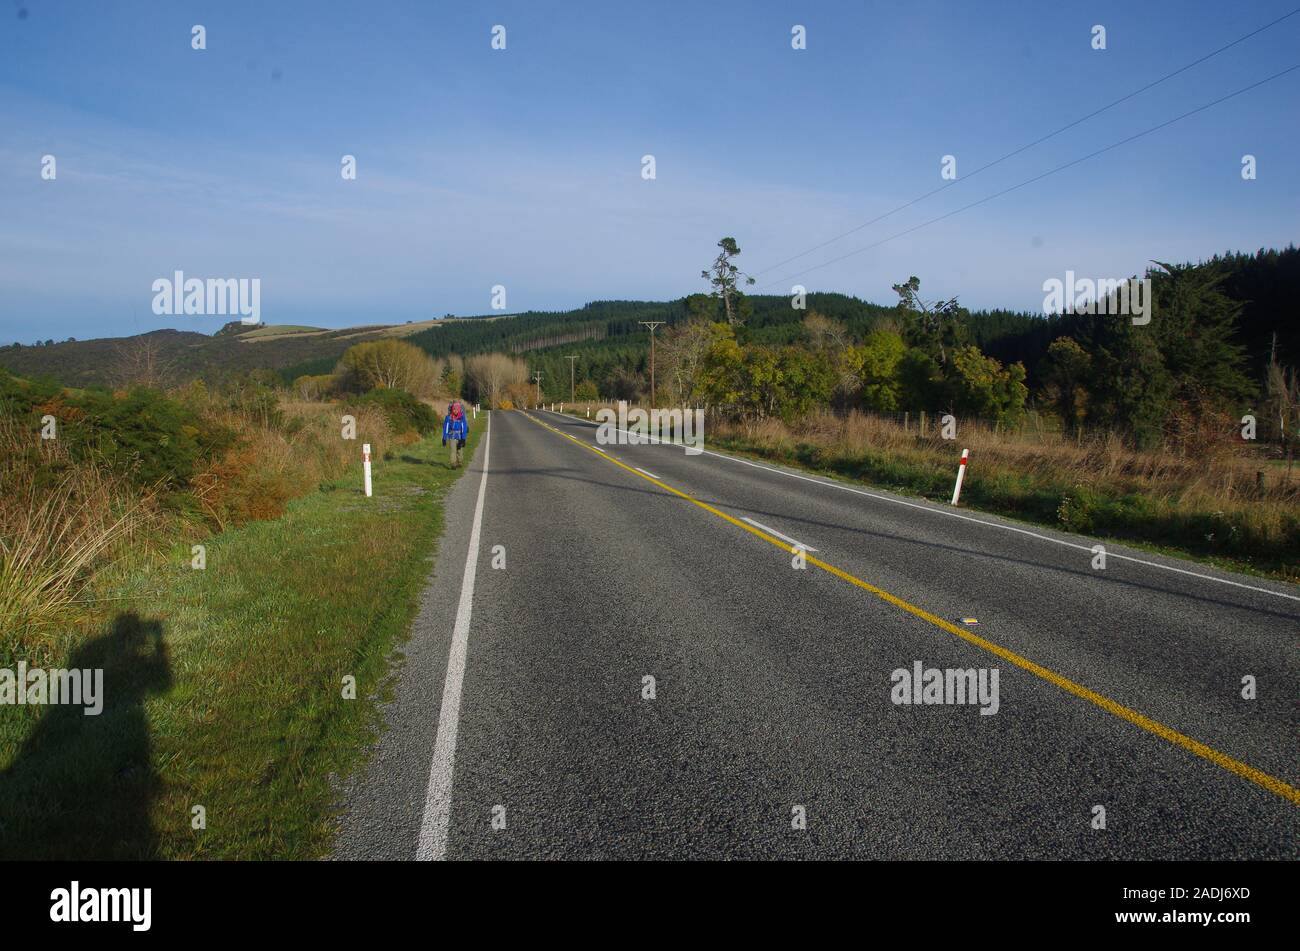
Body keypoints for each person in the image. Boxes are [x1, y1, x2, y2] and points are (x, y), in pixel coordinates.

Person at [442, 399, 469, 468]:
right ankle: (453, 464)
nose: (455, 411)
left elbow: (464, 429)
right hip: (452, 437)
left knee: (459, 451)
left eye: (457, 409)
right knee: (453, 451)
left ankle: (460, 462)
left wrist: (463, 439)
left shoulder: (462, 418)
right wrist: (444, 438)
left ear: (459, 409)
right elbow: (446, 428)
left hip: (460, 437)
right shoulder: (448, 418)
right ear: (452, 410)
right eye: (454, 409)